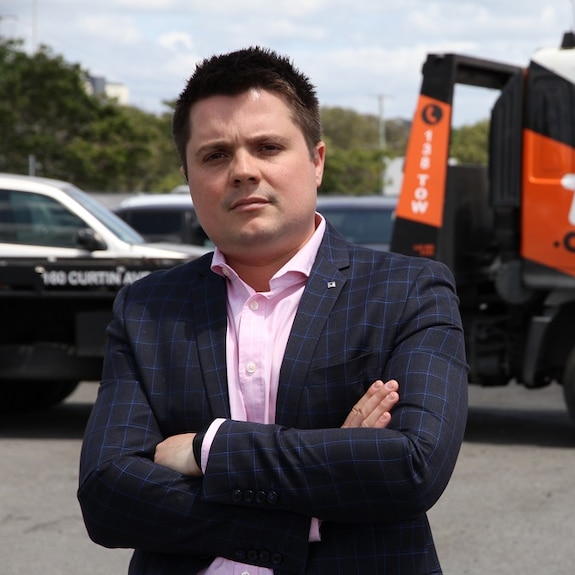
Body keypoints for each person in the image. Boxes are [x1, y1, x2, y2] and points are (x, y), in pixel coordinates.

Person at [78, 46, 468, 575]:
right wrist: (315, 499)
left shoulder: (410, 291)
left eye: (267, 147)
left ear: (317, 160)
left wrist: (207, 450)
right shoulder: (148, 307)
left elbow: (413, 466)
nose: (243, 170)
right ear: (189, 177)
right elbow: (108, 497)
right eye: (215, 155)